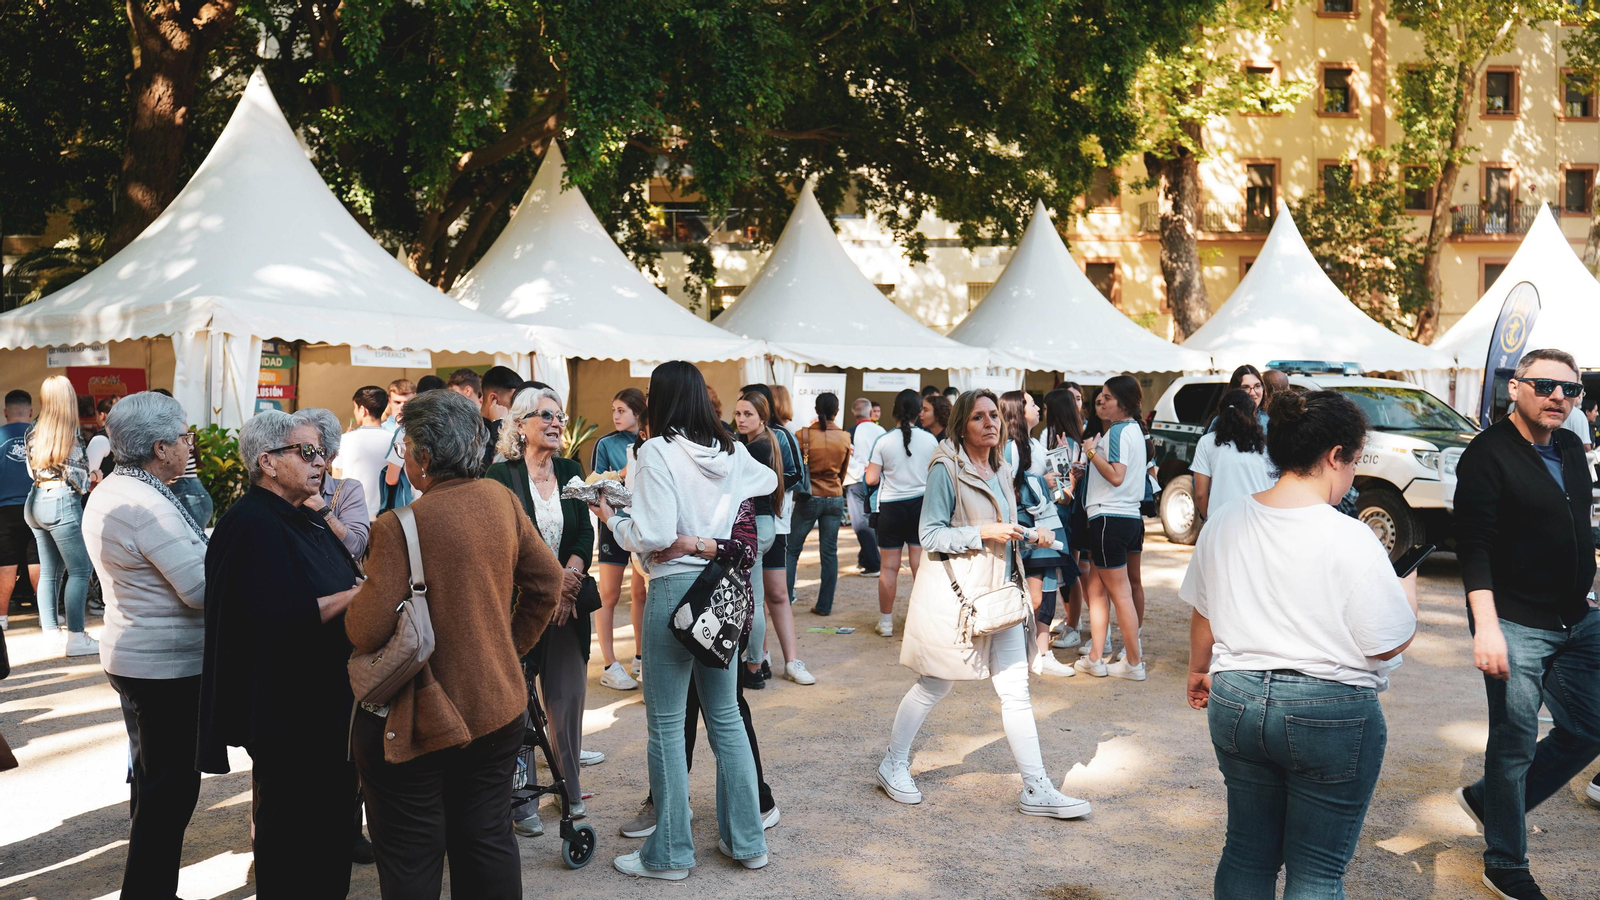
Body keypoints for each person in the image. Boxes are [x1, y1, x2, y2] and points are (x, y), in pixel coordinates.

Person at [1183, 389, 1418, 900]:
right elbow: (1385, 642)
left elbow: (1204, 608)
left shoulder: (1223, 519)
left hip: (1237, 697)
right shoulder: (1351, 537)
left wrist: (1197, 669)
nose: (1352, 475)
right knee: (1315, 871)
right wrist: (1409, 590)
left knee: (1246, 851)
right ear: (1335, 456)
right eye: (1354, 463)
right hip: (1330, 710)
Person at [349, 389, 563, 899]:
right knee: (486, 839)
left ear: (424, 456)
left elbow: (365, 630)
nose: (404, 457)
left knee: (411, 855)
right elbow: (547, 584)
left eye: (406, 448)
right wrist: (507, 649)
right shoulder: (500, 499)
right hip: (497, 704)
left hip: (422, 715)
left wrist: (357, 594)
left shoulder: (399, 526)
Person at [591, 361, 776, 880]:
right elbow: (764, 480)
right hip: (719, 589)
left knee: (668, 726)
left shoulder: (655, 451)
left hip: (673, 587)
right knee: (726, 718)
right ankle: (747, 841)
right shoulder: (730, 450)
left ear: (661, 399)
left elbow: (651, 534)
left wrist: (612, 518)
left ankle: (670, 852)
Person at [879, 388, 1090, 819]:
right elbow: (931, 536)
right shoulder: (945, 468)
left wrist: (1026, 533)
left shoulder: (1000, 465)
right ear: (961, 423)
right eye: (979, 417)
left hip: (1002, 596)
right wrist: (985, 533)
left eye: (994, 415)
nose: (991, 423)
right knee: (934, 684)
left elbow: (1001, 524)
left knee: (1016, 693)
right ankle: (893, 763)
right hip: (960, 599)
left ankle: (1036, 788)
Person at [1451, 348, 1600, 900]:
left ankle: (1491, 800)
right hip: (1515, 621)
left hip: (1577, 618)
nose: (1558, 396)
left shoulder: (1567, 445)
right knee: (1513, 744)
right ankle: (1505, 860)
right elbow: (1475, 546)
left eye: (1571, 389)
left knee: (1590, 726)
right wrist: (1485, 626)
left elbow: (1576, 525)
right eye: (1544, 385)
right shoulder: (1486, 455)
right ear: (1516, 387)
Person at [197, 410, 364, 897]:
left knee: (331, 835)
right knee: (293, 840)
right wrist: (355, 597)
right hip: (290, 714)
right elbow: (273, 617)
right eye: (307, 452)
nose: (321, 463)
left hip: (327, 706)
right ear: (268, 462)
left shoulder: (301, 516)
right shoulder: (250, 524)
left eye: (322, 453)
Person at [81, 392, 210, 899]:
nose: (188, 445)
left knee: (154, 780)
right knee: (169, 791)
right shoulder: (142, 502)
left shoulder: (127, 487)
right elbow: (200, 589)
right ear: (160, 447)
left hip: (142, 655)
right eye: (183, 437)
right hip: (163, 666)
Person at [485, 385, 596, 837]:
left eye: (560, 417)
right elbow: (502, 546)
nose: (555, 423)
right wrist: (551, 587)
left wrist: (568, 585)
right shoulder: (499, 476)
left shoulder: (571, 469)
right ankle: (524, 801)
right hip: (519, 608)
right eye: (546, 415)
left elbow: (583, 535)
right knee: (518, 704)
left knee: (567, 701)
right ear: (520, 423)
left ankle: (569, 789)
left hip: (568, 609)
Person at [1000, 391, 1075, 677]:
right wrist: (1042, 483)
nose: (1038, 408)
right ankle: (1026, 651)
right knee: (1033, 596)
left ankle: (1042, 652)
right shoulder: (1009, 447)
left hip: (1048, 524)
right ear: (1018, 410)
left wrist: (1064, 462)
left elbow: (1065, 492)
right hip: (1028, 530)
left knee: (1047, 590)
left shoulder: (1035, 444)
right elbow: (1009, 490)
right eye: (1032, 404)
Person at [1077, 375, 1146, 681]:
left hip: (1109, 518)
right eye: (1100, 396)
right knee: (1097, 586)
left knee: (1120, 593)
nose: (1101, 401)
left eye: (1108, 397)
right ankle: (1095, 657)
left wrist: (1092, 453)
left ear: (1124, 403)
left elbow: (1116, 476)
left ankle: (1133, 662)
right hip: (1128, 517)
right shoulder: (1135, 431)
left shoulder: (1118, 432)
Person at [25, 375, 98, 656]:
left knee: (50, 572)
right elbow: (80, 480)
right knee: (80, 570)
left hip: (35, 500)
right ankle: (77, 638)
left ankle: (51, 633)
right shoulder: (69, 431)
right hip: (61, 502)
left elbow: (31, 470)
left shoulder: (34, 429)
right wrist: (94, 474)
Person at [742, 383, 809, 687]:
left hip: (772, 523)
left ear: (763, 410)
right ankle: (761, 657)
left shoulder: (778, 437)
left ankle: (785, 660)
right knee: (759, 597)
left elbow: (796, 475)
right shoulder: (749, 441)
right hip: (766, 522)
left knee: (775, 595)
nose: (741, 417)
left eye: (748, 411)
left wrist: (771, 490)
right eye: (738, 412)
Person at [865, 389, 939, 638]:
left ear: (895, 410)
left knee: (889, 567)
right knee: (920, 565)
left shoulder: (884, 441)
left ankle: (885, 623)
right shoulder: (930, 440)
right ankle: (922, 621)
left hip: (890, 507)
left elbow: (871, 478)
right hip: (922, 505)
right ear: (919, 412)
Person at [593, 388, 647, 691]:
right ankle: (610, 664)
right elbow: (593, 484)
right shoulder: (605, 443)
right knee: (609, 595)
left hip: (641, 527)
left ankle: (640, 657)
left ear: (637, 413)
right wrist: (623, 472)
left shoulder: (650, 440)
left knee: (641, 594)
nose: (615, 415)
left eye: (622, 410)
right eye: (613, 409)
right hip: (613, 526)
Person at [788, 392, 850, 627]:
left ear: (816, 409)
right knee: (829, 553)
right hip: (834, 496)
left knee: (792, 550)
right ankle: (824, 605)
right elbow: (843, 472)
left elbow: (795, 467)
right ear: (837, 410)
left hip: (808, 495)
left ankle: (783, 601)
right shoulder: (844, 437)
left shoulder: (802, 435)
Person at [1043, 388, 1088, 656]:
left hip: (1064, 517)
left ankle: (1073, 627)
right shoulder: (1073, 440)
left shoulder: (1063, 444)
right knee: (1070, 571)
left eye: (1047, 409)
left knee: (1070, 573)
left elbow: (1063, 496)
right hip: (1071, 517)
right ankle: (1072, 624)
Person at [1191, 389, 1277, 521]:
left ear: (1220, 414)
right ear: (1253, 413)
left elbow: (1201, 494)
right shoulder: (1266, 445)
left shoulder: (1206, 442)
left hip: (1221, 522)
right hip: (1259, 521)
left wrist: (1209, 520)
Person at [299, 408, 372, 559]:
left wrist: (322, 510)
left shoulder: (348, 490)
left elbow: (356, 549)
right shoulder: (281, 490)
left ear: (329, 459)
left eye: (311, 451)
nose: (304, 459)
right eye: (300, 451)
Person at [0, 389, 38, 631]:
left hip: (4, 510)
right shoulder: (39, 436)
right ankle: (48, 616)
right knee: (38, 560)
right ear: (31, 412)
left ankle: (1, 618)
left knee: (5, 563)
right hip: (35, 505)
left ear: (5, 412)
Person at [335, 386, 394, 520]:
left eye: (355, 408)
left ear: (363, 410)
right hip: (387, 517)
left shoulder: (344, 440)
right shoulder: (394, 441)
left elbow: (336, 480)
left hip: (351, 516)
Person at [845, 397, 884, 578]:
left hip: (856, 480)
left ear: (854, 414)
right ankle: (866, 559)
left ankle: (874, 562)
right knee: (873, 519)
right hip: (878, 479)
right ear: (870, 412)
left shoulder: (850, 432)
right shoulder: (881, 430)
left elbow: (847, 457)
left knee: (861, 522)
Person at [380, 379, 418, 511]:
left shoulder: (421, 429)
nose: (402, 407)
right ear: (389, 402)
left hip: (412, 501)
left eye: (407, 402)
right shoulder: (380, 429)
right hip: (385, 503)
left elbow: (391, 479)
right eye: (397, 402)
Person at [479, 366, 525, 468]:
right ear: (494, 399)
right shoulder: (472, 430)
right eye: (513, 402)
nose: (517, 408)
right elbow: (496, 466)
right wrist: (498, 423)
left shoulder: (515, 426)